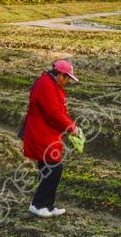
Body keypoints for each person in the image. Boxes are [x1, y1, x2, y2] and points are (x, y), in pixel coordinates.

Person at [21, 60, 80, 218]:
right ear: (60, 75)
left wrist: (69, 125)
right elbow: (54, 113)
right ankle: (38, 205)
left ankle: (46, 205)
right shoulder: (46, 85)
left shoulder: (52, 84)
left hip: (47, 132)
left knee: (48, 169)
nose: (68, 82)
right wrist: (71, 127)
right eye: (67, 78)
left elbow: (59, 111)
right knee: (53, 169)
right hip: (41, 132)